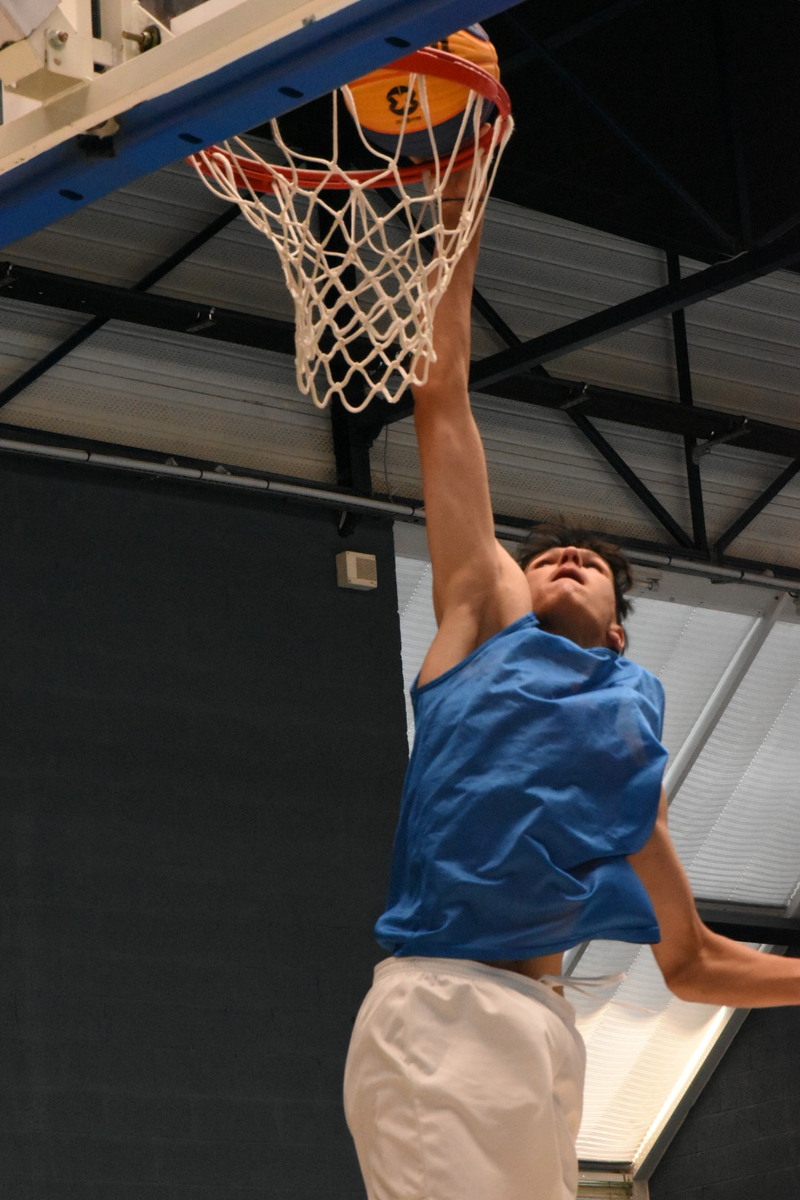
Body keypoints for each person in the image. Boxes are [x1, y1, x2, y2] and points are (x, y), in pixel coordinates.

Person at [343, 170, 800, 1200]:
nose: (566, 559)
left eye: (589, 564)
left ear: (619, 630)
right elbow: (440, 396)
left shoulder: (629, 746)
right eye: (547, 556)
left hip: (544, 1031)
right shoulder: (480, 624)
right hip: (441, 1010)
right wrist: (458, 213)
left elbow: (692, 962)